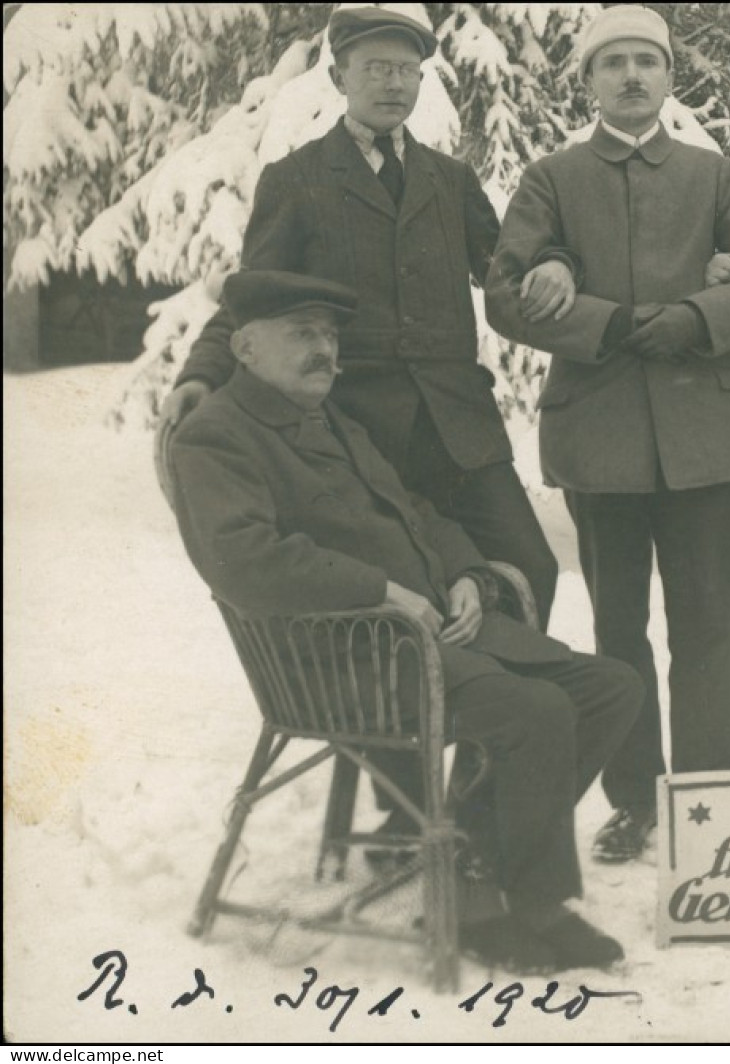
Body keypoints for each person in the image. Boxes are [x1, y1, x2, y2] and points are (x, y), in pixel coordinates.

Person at [168, 270, 643, 975]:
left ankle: (471, 875)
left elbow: (419, 512)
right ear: (243, 346)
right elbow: (244, 561)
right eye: (302, 333)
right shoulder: (214, 438)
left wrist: (466, 576)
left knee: (610, 686)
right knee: (534, 709)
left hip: (426, 640)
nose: (324, 350)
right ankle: (519, 907)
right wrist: (381, 591)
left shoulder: (332, 419)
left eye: (330, 335)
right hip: (341, 660)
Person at [483, 5, 730, 864]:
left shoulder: (711, 173)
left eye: (644, 63)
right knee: (618, 630)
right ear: (587, 82)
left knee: (707, 626)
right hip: (601, 440)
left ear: (667, 77)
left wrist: (696, 317)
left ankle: (707, 797)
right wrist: (609, 325)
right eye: (611, 63)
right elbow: (506, 294)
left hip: (701, 438)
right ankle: (633, 798)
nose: (629, 77)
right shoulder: (551, 178)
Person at [159, 7, 561, 631]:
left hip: (460, 426)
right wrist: (202, 372)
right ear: (340, 75)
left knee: (529, 567)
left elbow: (508, 265)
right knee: (400, 591)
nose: (393, 83)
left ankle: (499, 723)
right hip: (358, 431)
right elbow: (252, 300)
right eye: (375, 68)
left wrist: (555, 263)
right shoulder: (295, 180)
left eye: (407, 70)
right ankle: (398, 724)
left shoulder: (451, 180)